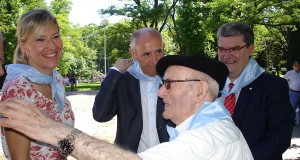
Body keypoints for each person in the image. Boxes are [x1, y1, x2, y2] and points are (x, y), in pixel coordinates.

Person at [0, 54, 254, 159]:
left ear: (199, 90)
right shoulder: (211, 127)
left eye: (168, 83)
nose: (161, 91)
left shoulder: (210, 139)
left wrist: (51, 130)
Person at [0, 9, 75, 159]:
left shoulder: (57, 81)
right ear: (23, 45)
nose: (52, 46)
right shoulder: (19, 90)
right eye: (41, 39)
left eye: (55, 37)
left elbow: (63, 145)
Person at [217, 22, 293, 160]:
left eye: (234, 49)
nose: (226, 56)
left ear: (250, 49)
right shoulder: (209, 86)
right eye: (221, 49)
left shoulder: (273, 86)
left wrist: (243, 157)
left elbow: (280, 136)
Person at [93, 28, 169, 152]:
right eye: (147, 54)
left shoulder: (173, 78)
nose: (155, 60)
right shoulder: (122, 80)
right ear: (133, 54)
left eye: (159, 51)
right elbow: (100, 115)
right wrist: (114, 73)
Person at [284, 61, 300, 125]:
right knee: (293, 108)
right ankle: (292, 121)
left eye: (298, 66)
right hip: (293, 93)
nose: (297, 67)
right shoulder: (290, 73)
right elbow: (283, 81)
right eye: (295, 66)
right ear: (293, 66)